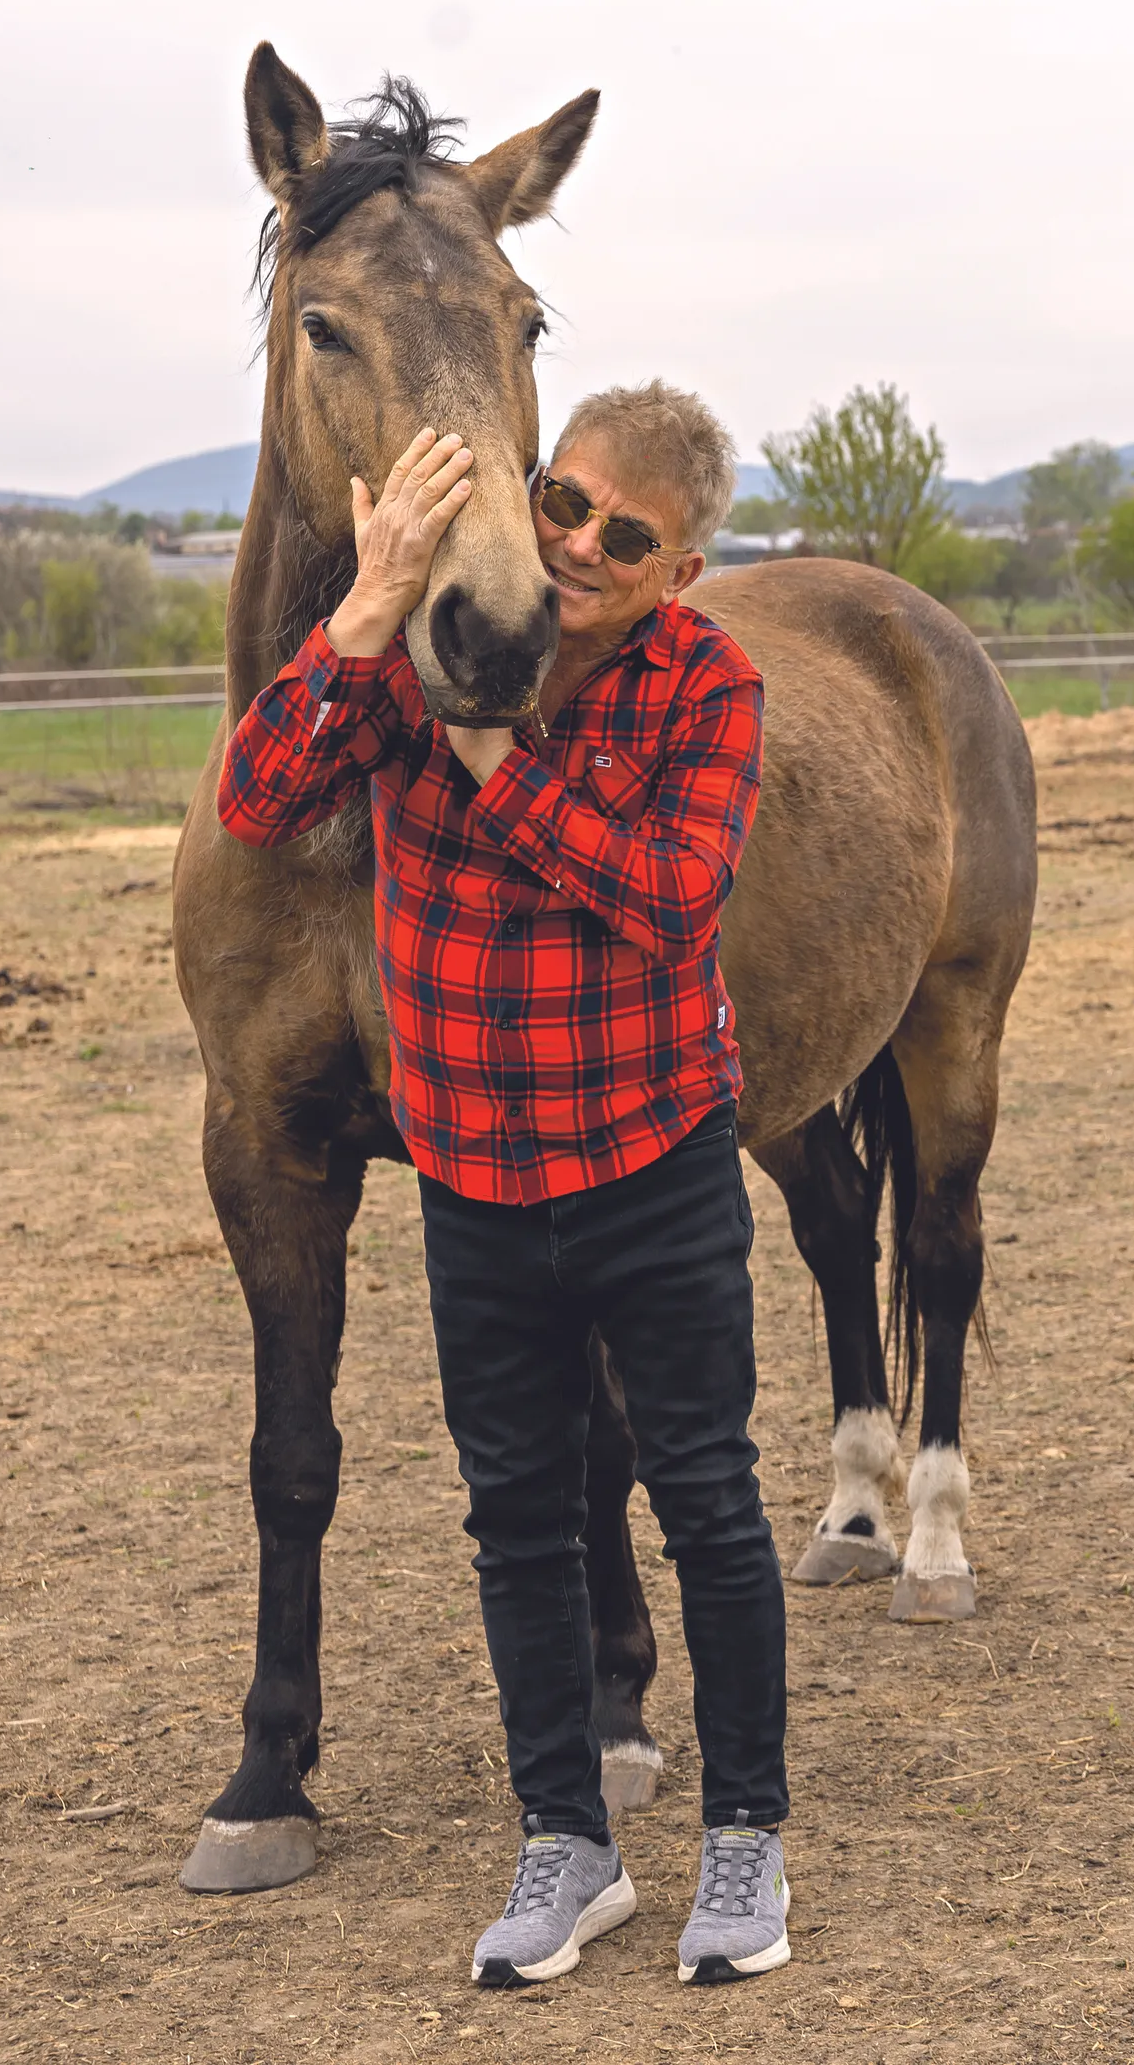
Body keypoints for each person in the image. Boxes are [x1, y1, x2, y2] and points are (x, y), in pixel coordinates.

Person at [218, 380, 790, 1990]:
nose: (582, 543)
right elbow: (260, 800)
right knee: (518, 1519)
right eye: (566, 502)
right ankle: (569, 1840)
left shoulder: (708, 684)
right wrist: (364, 617)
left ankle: (745, 1830)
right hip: (472, 1175)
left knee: (709, 1503)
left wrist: (486, 754)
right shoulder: (423, 649)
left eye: (629, 535)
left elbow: (671, 900)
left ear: (678, 571)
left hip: (653, 1160)